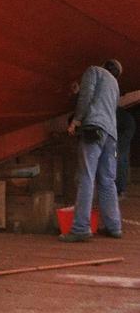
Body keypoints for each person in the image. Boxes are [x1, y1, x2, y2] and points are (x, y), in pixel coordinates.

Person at [62, 59, 123, 240]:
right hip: (111, 135)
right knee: (107, 180)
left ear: (104, 64)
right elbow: (104, 105)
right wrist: (78, 93)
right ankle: (114, 227)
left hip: (94, 129)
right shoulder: (115, 85)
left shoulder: (94, 70)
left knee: (86, 177)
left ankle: (81, 228)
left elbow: (87, 97)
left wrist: (76, 121)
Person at [115, 106, 136, 198]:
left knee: (120, 158)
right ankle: (120, 188)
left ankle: (120, 189)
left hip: (124, 129)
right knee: (121, 158)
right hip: (125, 127)